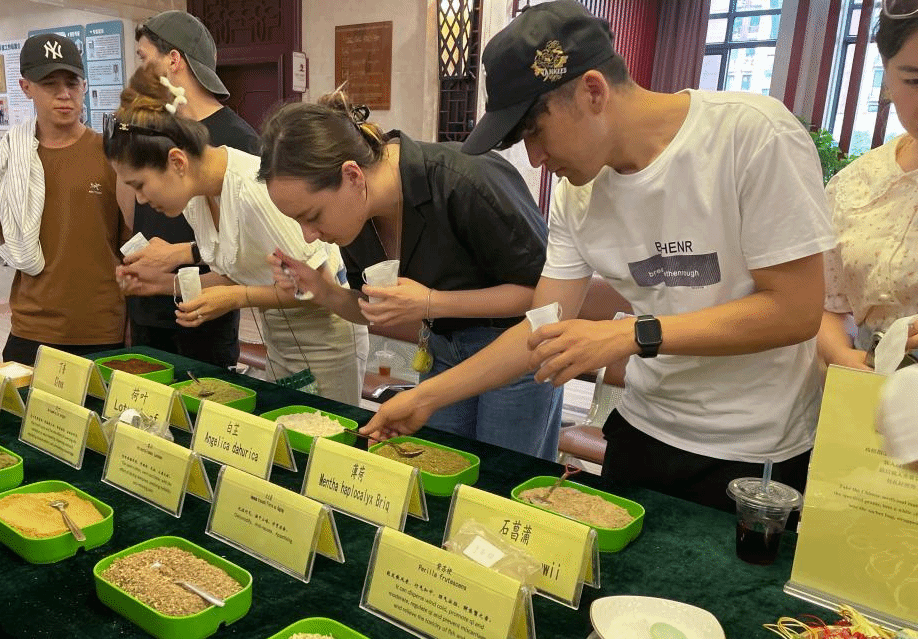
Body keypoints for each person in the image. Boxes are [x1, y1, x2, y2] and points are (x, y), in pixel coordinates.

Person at [357, 0, 836, 512]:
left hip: (755, 453)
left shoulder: (753, 135)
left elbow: (795, 310)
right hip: (643, 431)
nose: (535, 158)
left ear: (592, 91)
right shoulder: (576, 194)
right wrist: (424, 397)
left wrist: (630, 334)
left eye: (535, 131)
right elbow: (542, 326)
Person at [259, 94, 563, 460]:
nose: (309, 236)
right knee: (437, 467)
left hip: (519, 351)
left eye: (312, 216)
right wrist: (322, 290)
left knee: (501, 478)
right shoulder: (357, 217)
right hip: (441, 349)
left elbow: (546, 299)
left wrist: (432, 303)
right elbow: (371, 308)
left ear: (352, 176)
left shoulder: (465, 179)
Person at [106, 68, 366, 404]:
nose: (140, 200)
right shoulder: (195, 197)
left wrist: (236, 298)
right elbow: (236, 272)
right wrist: (160, 284)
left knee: (324, 432)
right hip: (281, 335)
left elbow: (317, 286)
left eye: (140, 185)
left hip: (327, 337)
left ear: (177, 162)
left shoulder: (253, 191)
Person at [116, 11, 260, 368]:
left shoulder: (239, 141)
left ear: (173, 60)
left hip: (206, 312)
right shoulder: (152, 130)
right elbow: (132, 209)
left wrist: (177, 255)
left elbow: (247, 251)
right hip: (149, 305)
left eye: (144, 59)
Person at [0, 33, 126, 367]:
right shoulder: (8, 158)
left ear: (84, 86)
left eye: (72, 83)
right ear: (26, 87)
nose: (64, 94)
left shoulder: (113, 155)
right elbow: (5, 238)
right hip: (31, 327)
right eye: (50, 84)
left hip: (101, 328)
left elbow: (130, 247)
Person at [819, 4, 918, 371]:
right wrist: (841, 354)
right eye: (915, 81)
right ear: (887, 76)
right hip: (870, 384)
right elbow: (829, 305)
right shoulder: (854, 185)